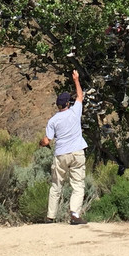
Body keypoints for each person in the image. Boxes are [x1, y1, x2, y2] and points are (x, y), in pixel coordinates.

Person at [40, 70, 87, 224]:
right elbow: (80, 96)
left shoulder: (53, 120)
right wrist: (76, 80)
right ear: (68, 103)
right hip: (77, 152)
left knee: (56, 185)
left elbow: (47, 141)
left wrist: (41, 143)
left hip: (61, 154)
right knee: (78, 185)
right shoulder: (75, 112)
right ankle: (74, 215)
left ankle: (50, 216)